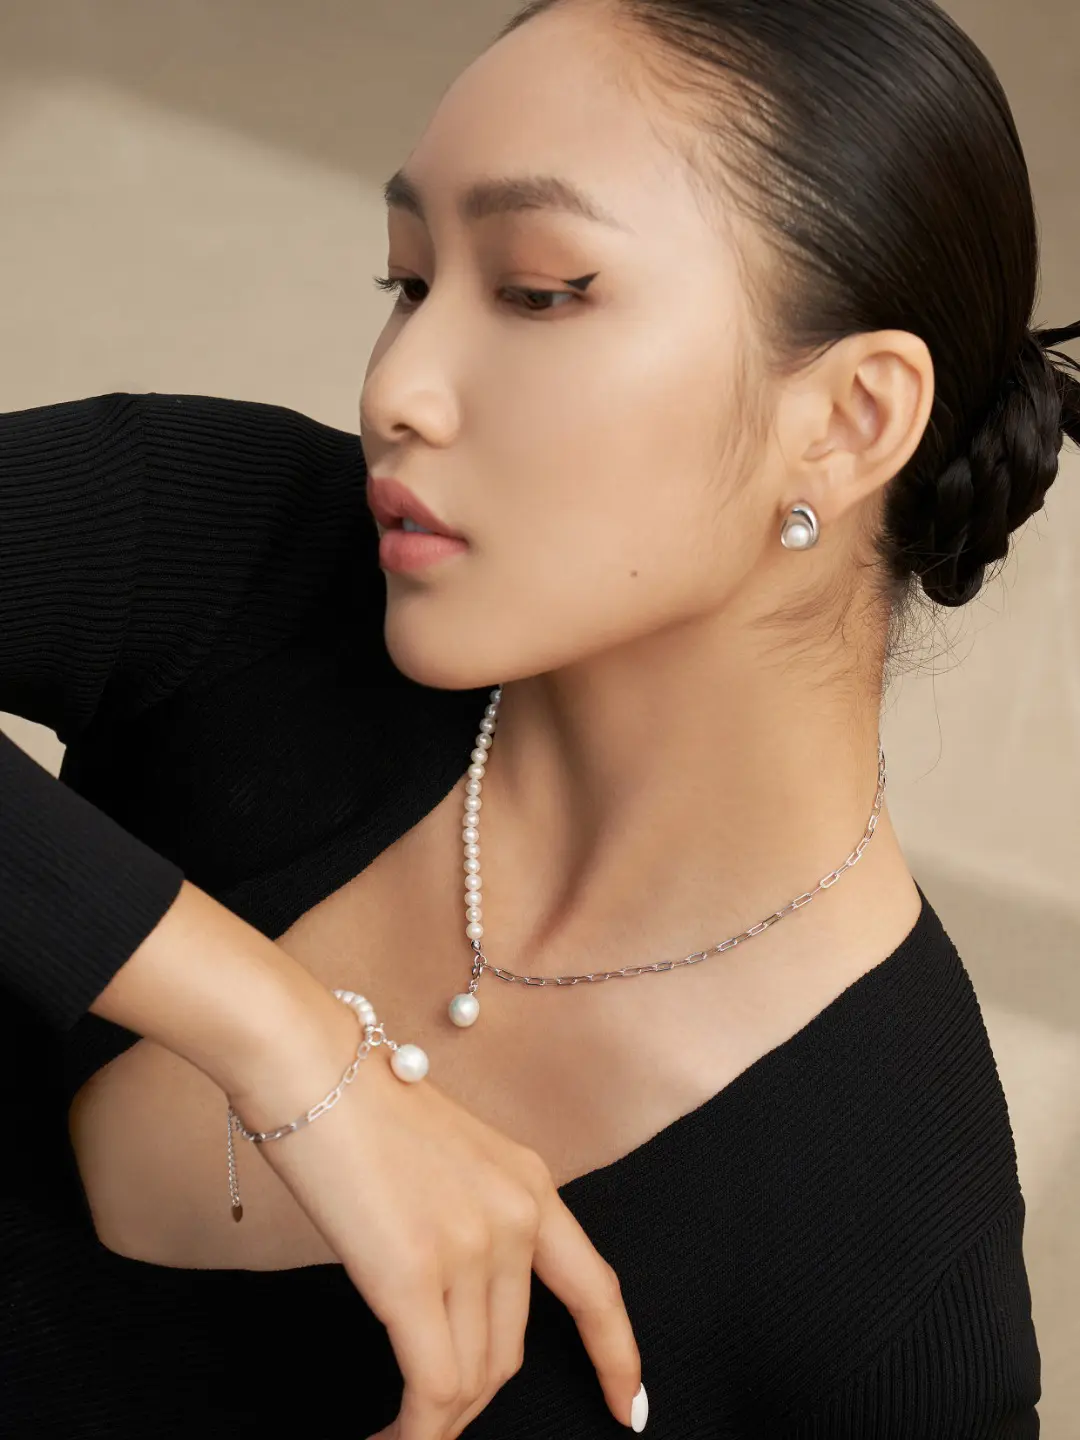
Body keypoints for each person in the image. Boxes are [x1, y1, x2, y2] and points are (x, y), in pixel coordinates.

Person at [1, 0, 1074, 1434]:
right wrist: (282, 1039)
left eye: (538, 292)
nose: (397, 388)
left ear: (850, 419)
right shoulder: (238, 555)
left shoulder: (888, 1262)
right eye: (407, 281)